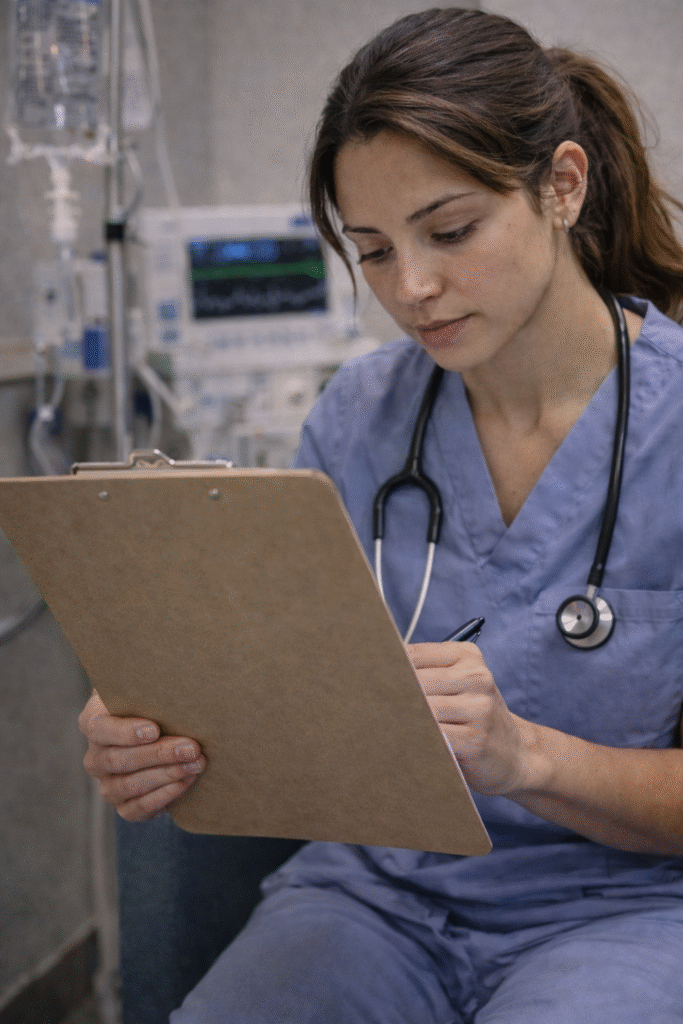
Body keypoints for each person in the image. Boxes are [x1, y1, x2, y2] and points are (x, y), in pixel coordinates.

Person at [79, 8, 683, 1022]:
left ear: (561, 186)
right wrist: (154, 725)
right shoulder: (359, 419)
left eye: (449, 231)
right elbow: (275, 692)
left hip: (614, 911)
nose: (413, 288)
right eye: (371, 251)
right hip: (371, 899)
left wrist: (525, 757)